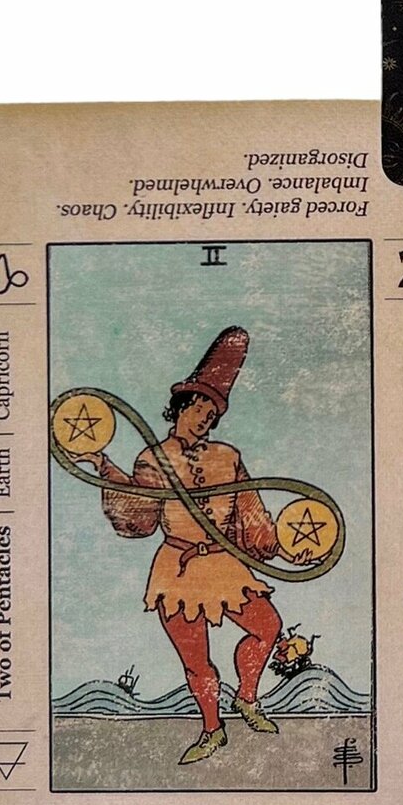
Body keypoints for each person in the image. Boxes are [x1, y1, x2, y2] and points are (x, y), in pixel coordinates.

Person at [75, 327, 283, 764]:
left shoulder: (227, 456)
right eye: (199, 407)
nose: (205, 417)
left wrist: (281, 548)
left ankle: (247, 698)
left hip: (224, 564)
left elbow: (250, 513)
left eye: (212, 412)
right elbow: (139, 517)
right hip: (179, 569)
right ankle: (212, 730)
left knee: (267, 628)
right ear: (180, 407)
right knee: (196, 660)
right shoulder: (153, 459)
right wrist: (104, 466)